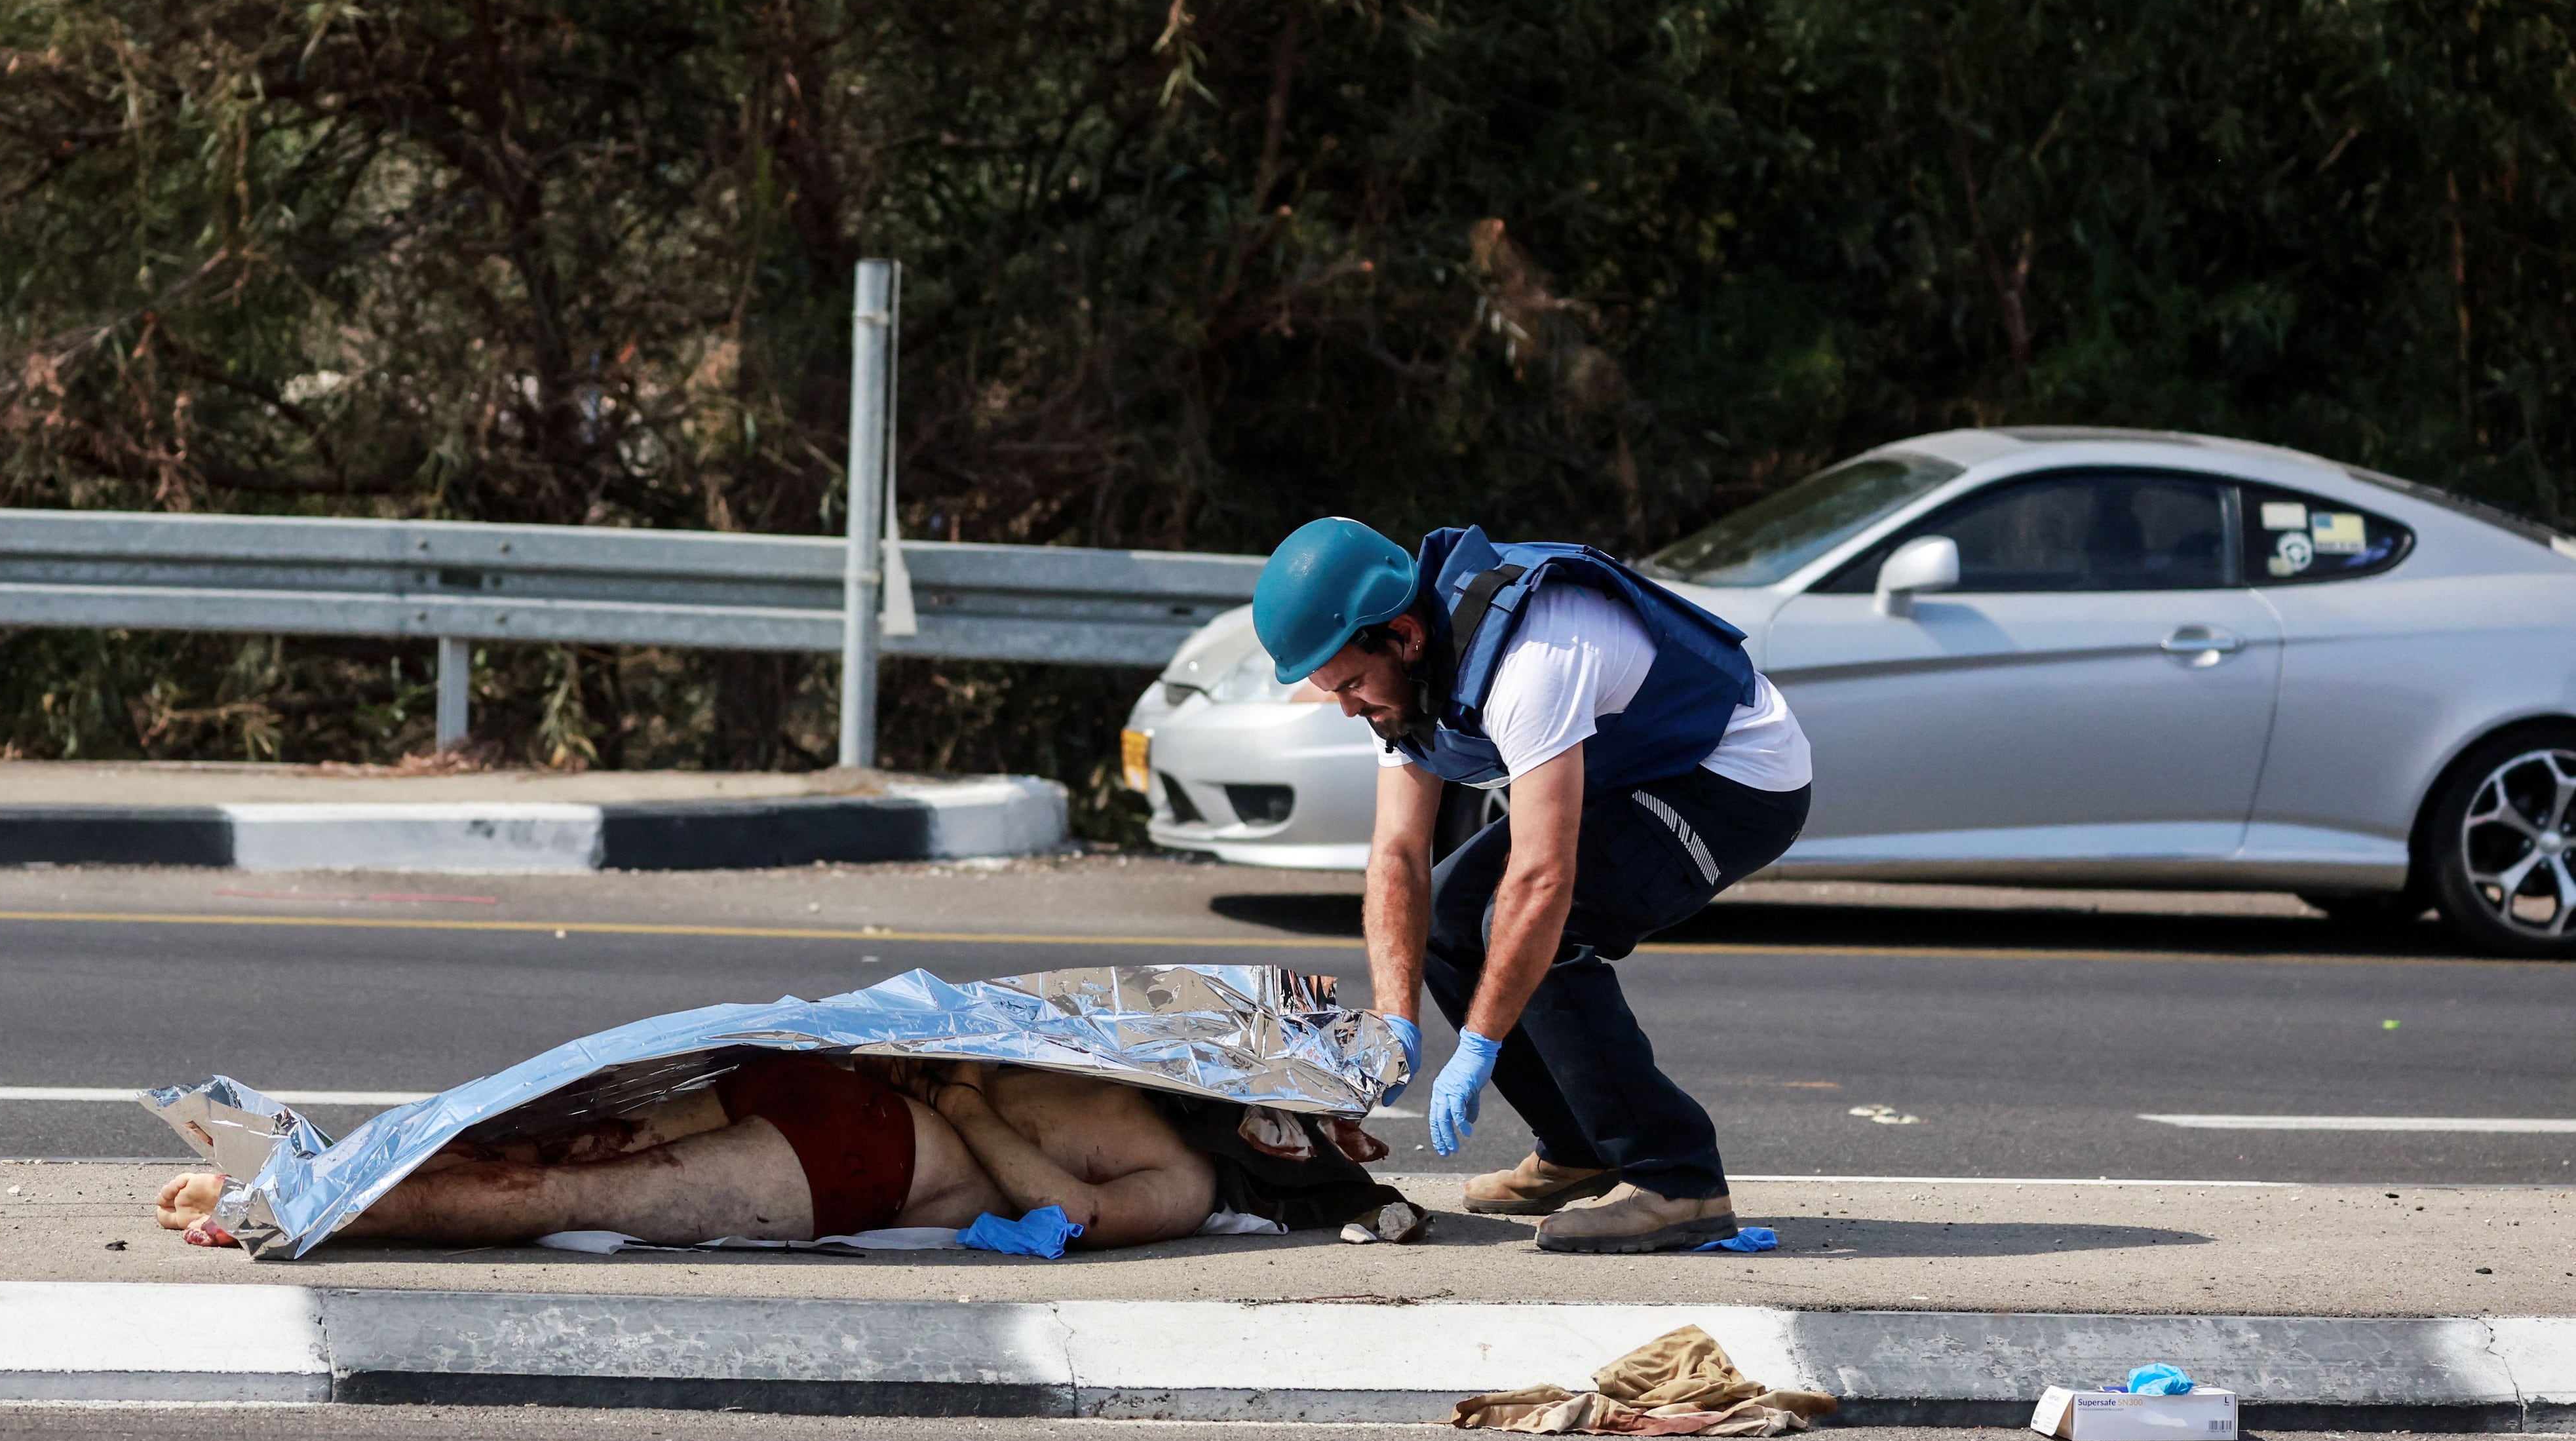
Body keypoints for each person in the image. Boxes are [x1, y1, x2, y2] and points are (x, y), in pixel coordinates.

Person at [1250, 514, 1814, 1253]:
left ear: (1405, 636)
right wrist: (1396, 1023)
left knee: (1543, 930)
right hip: (1630, 769)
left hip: (1731, 779)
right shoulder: (1400, 677)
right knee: (1452, 913)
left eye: (1352, 685)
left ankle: (1679, 1181)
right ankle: (1578, 1145)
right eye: (1335, 694)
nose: (1350, 709)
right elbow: (1397, 855)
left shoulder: (1530, 657)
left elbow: (1541, 880)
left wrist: (1479, 1043)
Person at [151, 1052, 1409, 1251]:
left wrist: (967, 1107)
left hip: (863, 1148)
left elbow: (1068, 1211)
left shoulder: (1183, 1178)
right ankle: (299, 1184)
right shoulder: (1126, 1073)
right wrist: (958, 1091)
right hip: (846, 1122)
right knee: (540, 1149)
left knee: (551, 1177)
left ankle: (286, 1198)